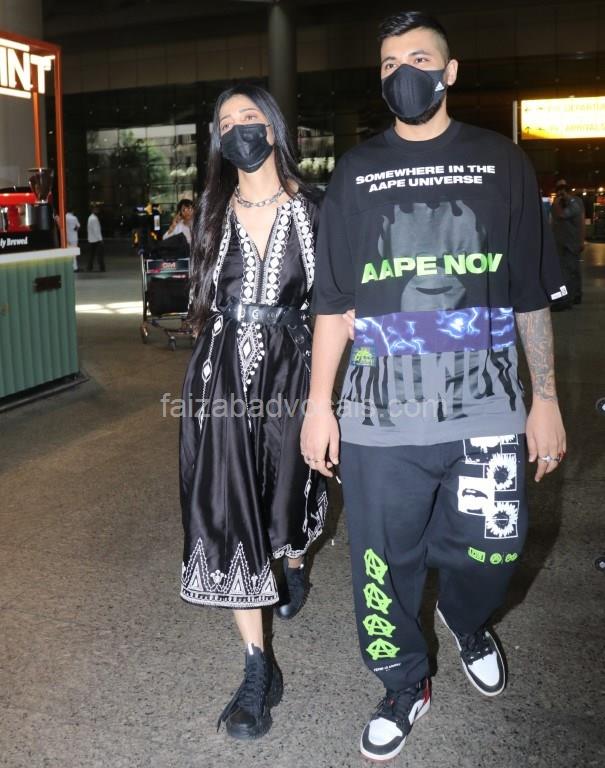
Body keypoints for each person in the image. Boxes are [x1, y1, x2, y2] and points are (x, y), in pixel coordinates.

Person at [302, 10, 566, 763]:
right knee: (381, 567)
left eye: (418, 59)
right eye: (389, 64)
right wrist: (318, 406)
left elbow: (529, 294)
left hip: (487, 406)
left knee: (495, 548)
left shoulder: (500, 162)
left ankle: (466, 619)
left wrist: (544, 398)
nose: (403, 74)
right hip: (379, 416)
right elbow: (332, 304)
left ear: (449, 72)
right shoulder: (356, 172)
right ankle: (403, 681)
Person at [180, 84, 327, 741]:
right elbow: (203, 302)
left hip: (294, 370)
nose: (238, 128)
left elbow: (334, 306)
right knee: (230, 510)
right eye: (225, 122)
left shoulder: (316, 209)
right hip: (222, 378)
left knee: (288, 493)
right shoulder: (211, 210)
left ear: (273, 126)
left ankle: (291, 560)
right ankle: (256, 668)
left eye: (249, 116)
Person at [550, 178, 585, 307]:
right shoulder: (557, 203)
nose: (561, 192)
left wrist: (581, 239)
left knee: (571, 271)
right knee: (567, 271)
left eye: (564, 189)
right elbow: (554, 221)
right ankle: (573, 295)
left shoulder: (575, 202)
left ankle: (570, 298)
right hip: (560, 242)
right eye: (559, 189)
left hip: (572, 242)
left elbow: (563, 215)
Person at [86, 206, 105, 272]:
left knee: (91, 254)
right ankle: (102, 267)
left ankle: (89, 267)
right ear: (93, 210)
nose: (98, 211)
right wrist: (100, 239)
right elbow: (96, 230)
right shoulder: (94, 219)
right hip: (96, 240)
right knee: (100, 254)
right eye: (96, 210)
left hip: (91, 239)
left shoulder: (90, 217)